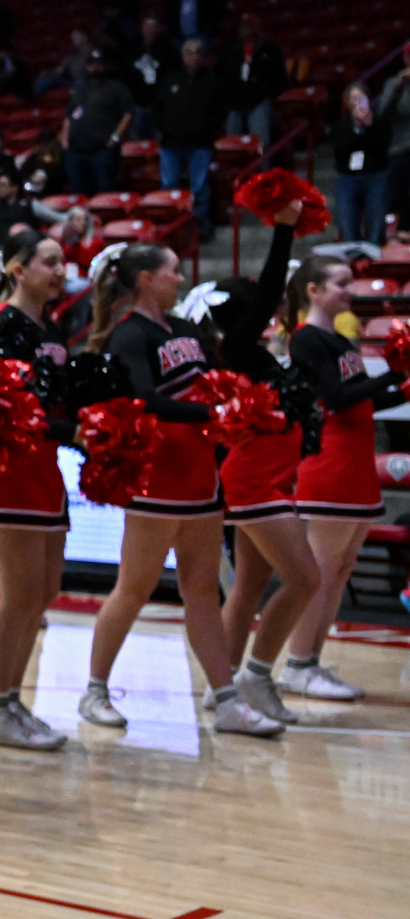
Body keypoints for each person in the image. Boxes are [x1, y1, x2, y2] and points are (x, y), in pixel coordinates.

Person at [77, 244, 284, 736]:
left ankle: (228, 699)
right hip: (156, 482)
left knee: (201, 594)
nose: (180, 278)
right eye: (172, 270)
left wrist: (234, 406)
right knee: (133, 588)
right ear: (146, 278)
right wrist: (213, 415)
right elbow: (146, 401)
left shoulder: (187, 331)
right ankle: (95, 690)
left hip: (200, 482)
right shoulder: (130, 333)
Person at [196, 203, 317, 724]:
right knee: (306, 579)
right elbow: (270, 291)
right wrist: (284, 229)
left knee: (247, 588)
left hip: (270, 476)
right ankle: (257, 675)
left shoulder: (251, 353)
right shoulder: (237, 347)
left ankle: (220, 686)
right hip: (255, 480)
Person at [279, 254, 406, 702]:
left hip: (356, 462)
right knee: (320, 571)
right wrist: (394, 372)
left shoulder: (341, 342)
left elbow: (362, 401)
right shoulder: (307, 340)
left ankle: (310, 661)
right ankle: (296, 664)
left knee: (341, 566)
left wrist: (401, 387)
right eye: (340, 283)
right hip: (330, 465)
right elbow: (336, 397)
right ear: (313, 290)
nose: (349, 291)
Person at [0, 233, 75, 750]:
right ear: (17, 268)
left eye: (62, 261)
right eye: (48, 261)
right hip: (11, 471)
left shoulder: (52, 326)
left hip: (47, 468)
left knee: (45, 590)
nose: (60, 269)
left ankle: (10, 699)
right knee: (20, 593)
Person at [156, 38, 224, 235]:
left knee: (200, 188)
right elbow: (157, 110)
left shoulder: (211, 81)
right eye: (189, 52)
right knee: (169, 188)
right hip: (171, 143)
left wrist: (205, 129)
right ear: (183, 55)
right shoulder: (170, 80)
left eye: (197, 52)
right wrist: (166, 128)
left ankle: (200, 227)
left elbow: (219, 111)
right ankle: (172, 229)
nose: (193, 56)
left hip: (199, 143)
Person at [62, 53, 134, 195]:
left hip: (102, 149)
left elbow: (128, 114)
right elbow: (69, 115)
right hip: (77, 150)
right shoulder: (79, 88)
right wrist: (65, 142)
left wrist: (115, 138)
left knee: (105, 190)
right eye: (91, 63)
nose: (94, 67)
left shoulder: (116, 88)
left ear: (104, 65)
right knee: (78, 193)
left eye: (98, 63)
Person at [329, 83, 390, 246]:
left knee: (375, 222)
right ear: (347, 103)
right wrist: (357, 127)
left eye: (361, 98)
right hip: (347, 177)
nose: (358, 103)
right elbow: (340, 153)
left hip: (374, 176)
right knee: (347, 223)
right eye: (353, 99)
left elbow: (381, 149)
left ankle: (374, 257)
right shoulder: (340, 127)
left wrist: (368, 126)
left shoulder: (380, 124)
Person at [220, 15, 286, 146]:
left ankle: (263, 166)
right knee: (232, 144)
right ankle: (235, 167)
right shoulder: (231, 50)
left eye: (250, 25)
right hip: (234, 104)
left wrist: (270, 95)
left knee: (260, 144)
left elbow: (280, 77)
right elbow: (221, 76)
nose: (246, 30)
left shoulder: (270, 49)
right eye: (244, 26)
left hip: (259, 102)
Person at [372, 42, 410, 226]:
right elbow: (382, 113)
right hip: (400, 145)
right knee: (398, 194)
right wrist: (398, 85)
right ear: (405, 59)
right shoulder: (393, 83)